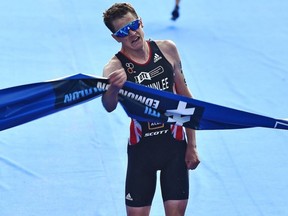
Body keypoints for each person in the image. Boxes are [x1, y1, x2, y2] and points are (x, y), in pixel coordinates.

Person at [102, 3, 200, 216]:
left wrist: (192, 145)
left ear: (141, 21)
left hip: (175, 148)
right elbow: (109, 106)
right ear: (116, 38)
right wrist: (112, 89)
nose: (132, 33)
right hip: (141, 153)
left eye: (134, 25)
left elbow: (187, 99)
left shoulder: (167, 49)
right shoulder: (114, 68)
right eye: (123, 31)